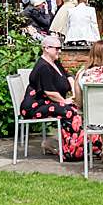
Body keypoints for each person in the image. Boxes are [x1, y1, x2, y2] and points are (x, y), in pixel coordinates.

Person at [24, 33, 86, 161]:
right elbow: (49, 92)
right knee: (69, 111)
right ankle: (71, 150)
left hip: (47, 103)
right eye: (57, 48)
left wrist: (74, 95)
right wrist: (64, 101)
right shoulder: (43, 67)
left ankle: (82, 145)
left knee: (81, 108)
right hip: (36, 106)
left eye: (60, 48)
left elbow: (68, 77)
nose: (60, 51)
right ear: (46, 48)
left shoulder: (54, 62)